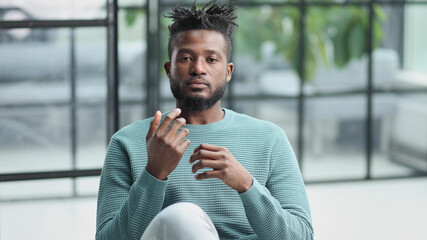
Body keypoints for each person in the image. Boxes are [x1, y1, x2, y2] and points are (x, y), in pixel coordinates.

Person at [96, 1, 313, 239]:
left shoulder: (270, 138)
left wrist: (247, 185)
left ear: (228, 71)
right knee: (180, 217)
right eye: (186, 58)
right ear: (169, 69)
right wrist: (154, 172)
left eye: (211, 59)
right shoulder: (127, 142)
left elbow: (301, 236)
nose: (198, 69)